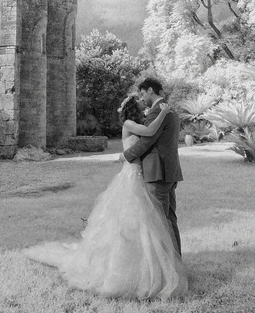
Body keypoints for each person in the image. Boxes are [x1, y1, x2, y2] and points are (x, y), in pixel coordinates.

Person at [23, 94, 187, 300]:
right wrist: (163, 112)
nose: (143, 104)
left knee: (145, 223)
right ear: (132, 109)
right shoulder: (130, 124)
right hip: (132, 175)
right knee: (135, 222)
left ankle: (155, 265)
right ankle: (139, 268)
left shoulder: (137, 122)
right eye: (139, 103)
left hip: (140, 175)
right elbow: (150, 132)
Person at [122, 77, 183, 255]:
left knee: (159, 222)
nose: (142, 98)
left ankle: (167, 270)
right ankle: (175, 263)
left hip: (157, 173)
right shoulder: (169, 110)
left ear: (150, 90)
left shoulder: (157, 112)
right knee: (169, 220)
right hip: (169, 172)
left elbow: (146, 141)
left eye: (142, 93)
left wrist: (125, 155)